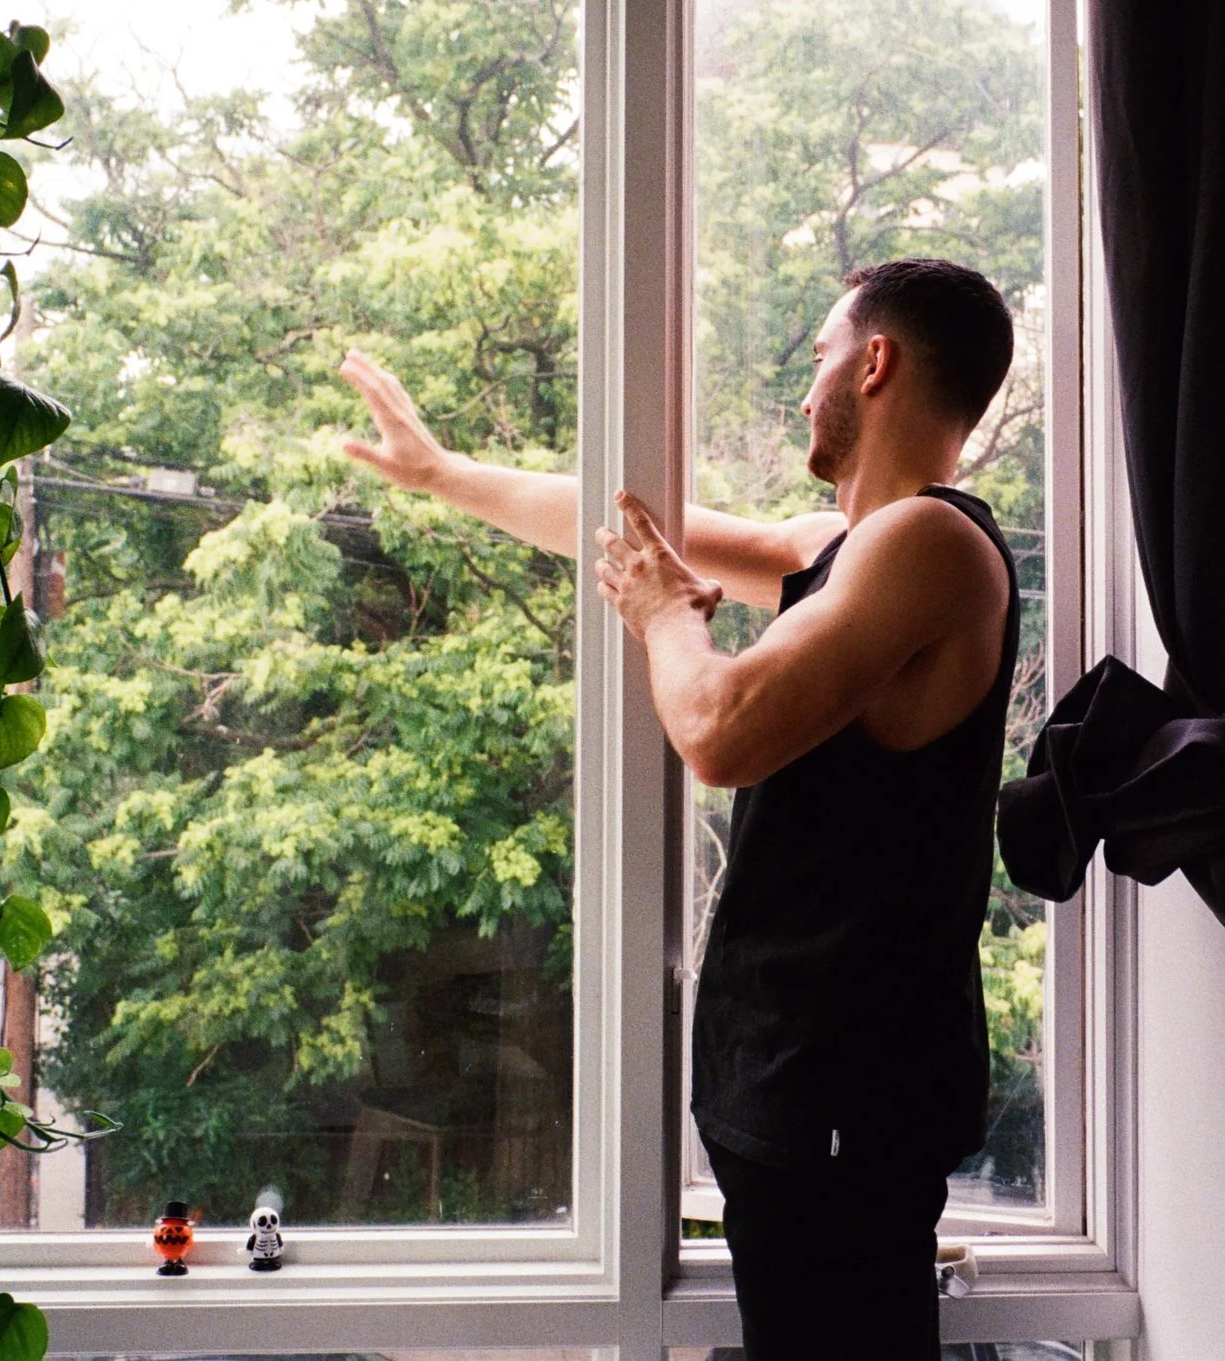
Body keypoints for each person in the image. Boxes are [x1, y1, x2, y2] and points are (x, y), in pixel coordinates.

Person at [341, 257, 1019, 1360]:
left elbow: (718, 727)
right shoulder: (842, 548)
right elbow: (645, 532)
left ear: (876, 361)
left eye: (819, 360)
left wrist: (666, 616)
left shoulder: (929, 543)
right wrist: (443, 475)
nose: (808, 393)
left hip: (845, 1094)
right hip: (812, 1096)